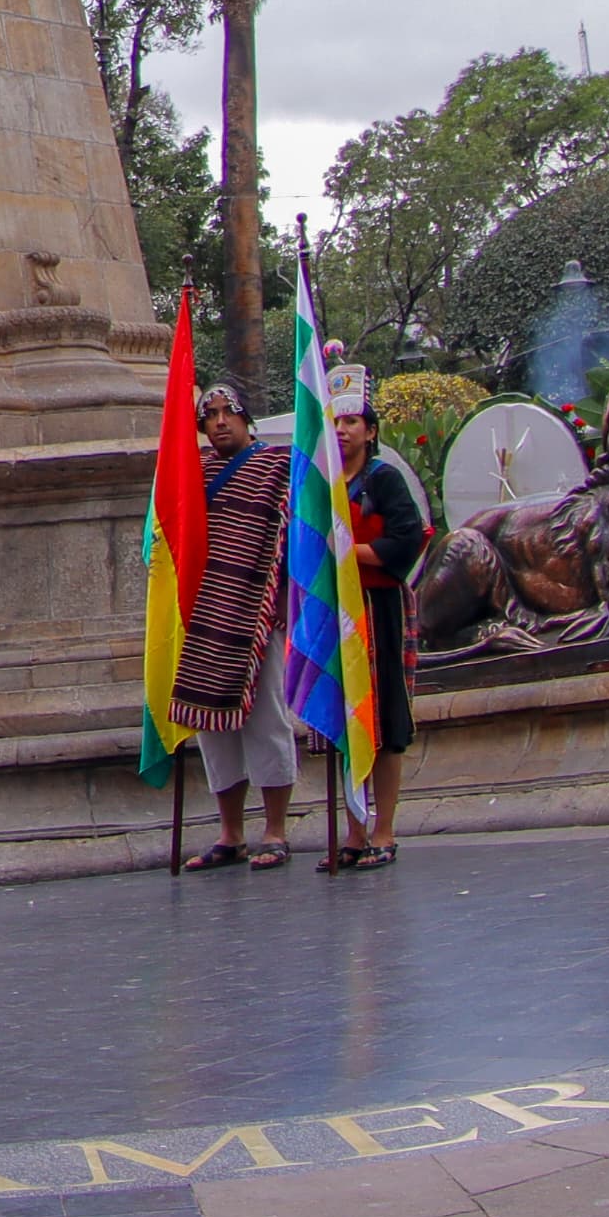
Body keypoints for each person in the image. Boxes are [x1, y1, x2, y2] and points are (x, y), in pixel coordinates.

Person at [169, 381, 299, 870]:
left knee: (266, 718)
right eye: (210, 414)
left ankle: (275, 830)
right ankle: (230, 833)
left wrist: (284, 596)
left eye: (229, 411)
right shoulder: (192, 471)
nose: (220, 421)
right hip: (205, 613)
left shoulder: (278, 467)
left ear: (247, 418)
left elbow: (296, 534)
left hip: (256, 608)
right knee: (209, 723)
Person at [326, 368, 429, 874]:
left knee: (384, 720)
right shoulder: (322, 485)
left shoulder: (383, 479)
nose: (342, 430)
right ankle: (353, 831)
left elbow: (409, 537)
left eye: (352, 421)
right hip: (336, 610)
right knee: (343, 723)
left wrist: (353, 553)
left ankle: (383, 829)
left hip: (377, 608)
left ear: (370, 430)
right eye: (335, 421)